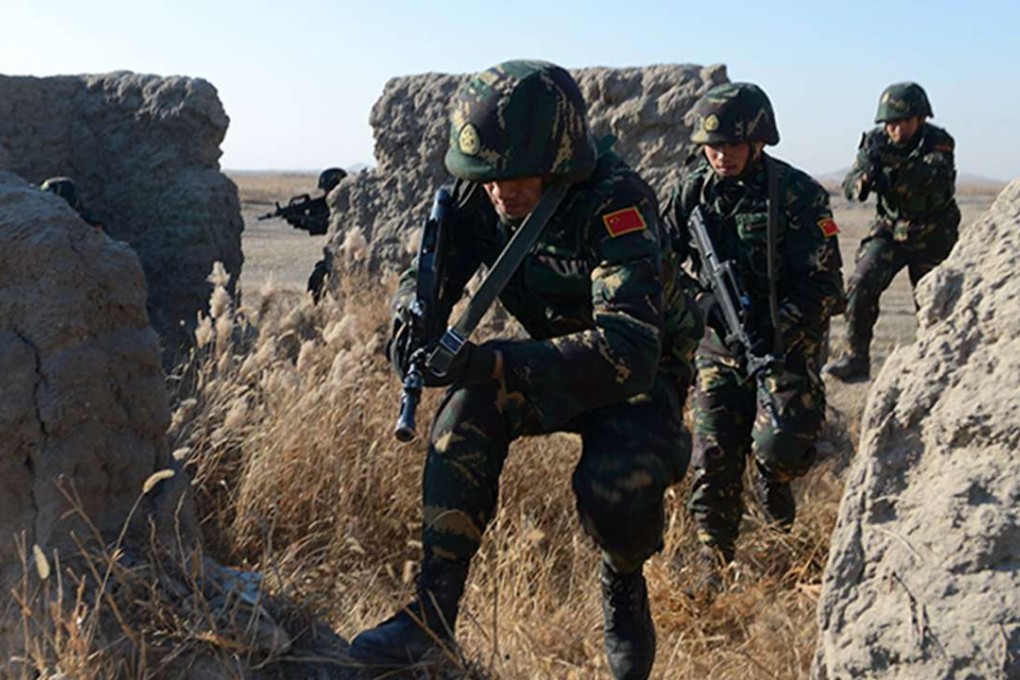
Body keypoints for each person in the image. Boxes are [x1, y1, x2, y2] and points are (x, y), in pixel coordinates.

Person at [349, 60, 701, 679]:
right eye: (487, 178)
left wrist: (484, 361)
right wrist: (412, 320)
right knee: (463, 417)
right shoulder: (480, 192)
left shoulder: (616, 202)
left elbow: (628, 353)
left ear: (560, 160)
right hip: (552, 358)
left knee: (615, 496)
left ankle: (623, 580)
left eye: (515, 176)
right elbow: (431, 273)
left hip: (638, 373)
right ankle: (432, 616)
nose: (499, 192)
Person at [663, 82, 844, 592]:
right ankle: (713, 563)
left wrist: (776, 325)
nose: (721, 157)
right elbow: (654, 263)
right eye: (712, 146)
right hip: (718, 347)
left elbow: (828, 284)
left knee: (781, 443)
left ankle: (773, 485)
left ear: (759, 141)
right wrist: (701, 306)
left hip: (783, 346)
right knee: (713, 457)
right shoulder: (689, 192)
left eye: (732, 146)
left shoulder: (799, 195)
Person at [824, 82, 959, 382]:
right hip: (890, 231)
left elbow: (930, 177)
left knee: (935, 301)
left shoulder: (938, 141)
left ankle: (934, 364)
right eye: (890, 123)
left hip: (933, 233)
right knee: (860, 283)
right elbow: (851, 185)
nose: (895, 130)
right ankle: (856, 358)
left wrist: (886, 172)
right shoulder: (874, 143)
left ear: (920, 119)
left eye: (902, 122)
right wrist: (864, 179)